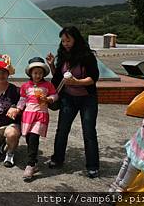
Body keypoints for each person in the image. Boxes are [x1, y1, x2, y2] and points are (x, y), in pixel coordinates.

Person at [46, 26, 100, 178]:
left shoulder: (87, 56)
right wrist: (51, 65)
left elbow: (93, 78)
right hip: (68, 98)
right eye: (63, 41)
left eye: (68, 40)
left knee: (89, 131)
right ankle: (57, 159)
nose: (65, 44)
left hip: (87, 99)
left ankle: (93, 165)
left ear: (76, 39)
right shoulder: (63, 55)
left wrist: (77, 82)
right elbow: (58, 78)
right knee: (62, 129)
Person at [14, 57, 57, 181]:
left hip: (41, 114)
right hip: (27, 115)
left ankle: (30, 165)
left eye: (40, 73)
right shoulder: (25, 86)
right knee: (29, 138)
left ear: (43, 73)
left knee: (34, 137)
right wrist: (18, 109)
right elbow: (22, 100)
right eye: (35, 73)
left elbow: (55, 95)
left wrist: (49, 99)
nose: (38, 75)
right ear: (30, 73)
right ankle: (34, 161)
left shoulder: (48, 85)